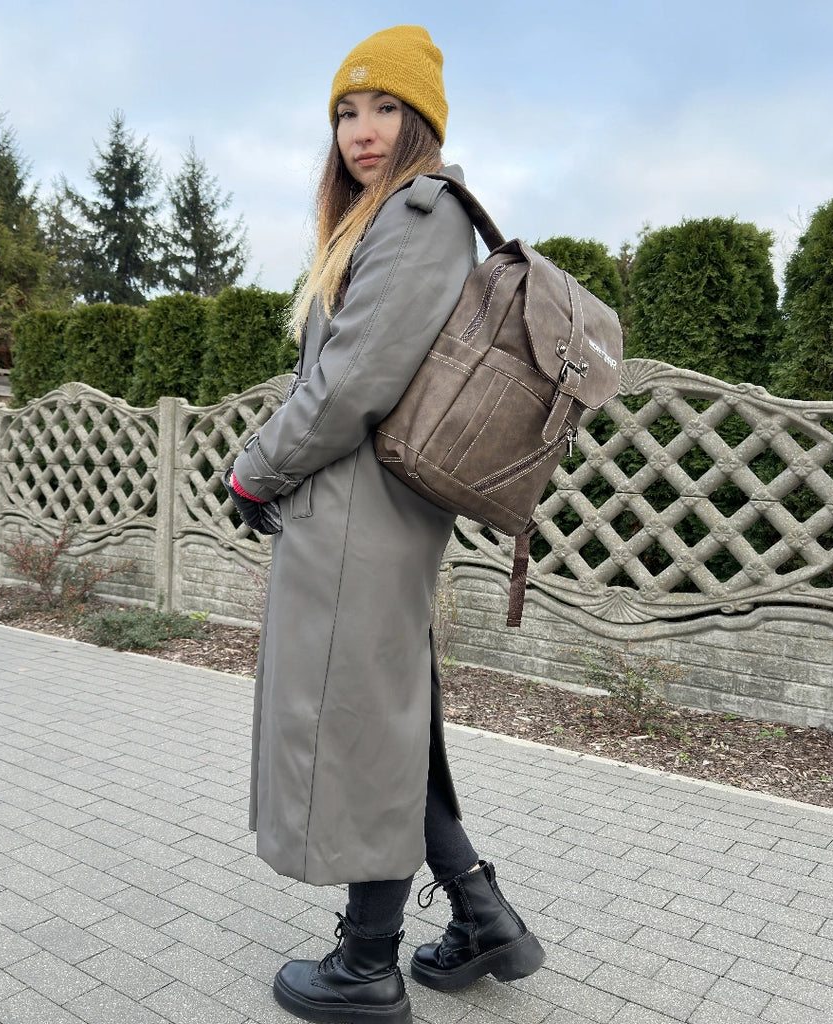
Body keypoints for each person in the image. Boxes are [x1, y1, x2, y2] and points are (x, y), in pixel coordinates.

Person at [226, 25, 545, 1024]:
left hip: (359, 515)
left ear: (422, 120)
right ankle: (484, 918)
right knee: (392, 722)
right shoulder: (390, 218)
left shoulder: (418, 213)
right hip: (367, 511)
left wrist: (253, 471)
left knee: (365, 732)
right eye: (346, 112)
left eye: (384, 109)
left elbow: (349, 383)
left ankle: (366, 967)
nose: (362, 131)